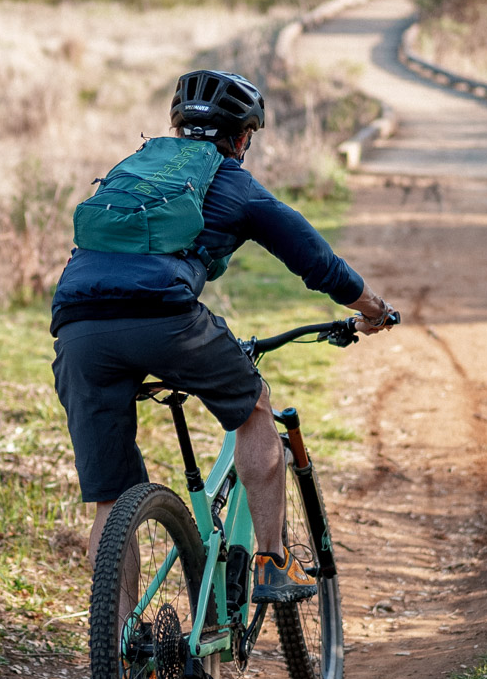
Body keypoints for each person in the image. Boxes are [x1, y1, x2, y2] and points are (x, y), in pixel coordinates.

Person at [51, 69, 396, 605]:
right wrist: (371, 308)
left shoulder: (132, 170)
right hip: (164, 318)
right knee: (255, 407)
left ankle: (116, 655)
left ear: (177, 125)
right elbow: (313, 258)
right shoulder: (232, 181)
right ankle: (273, 562)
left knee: (111, 505)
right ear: (242, 138)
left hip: (78, 328)